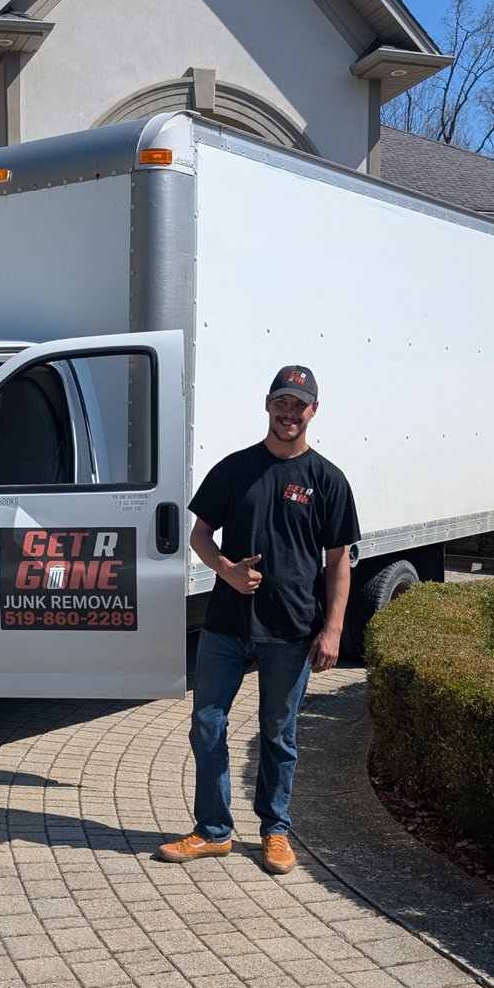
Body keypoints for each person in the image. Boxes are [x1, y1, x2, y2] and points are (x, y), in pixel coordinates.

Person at [157, 365, 360, 874]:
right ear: (268, 404)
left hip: (290, 629)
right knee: (207, 727)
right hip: (226, 626)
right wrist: (225, 570)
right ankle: (213, 831)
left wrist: (333, 629)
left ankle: (275, 831)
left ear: (313, 410)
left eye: (299, 404)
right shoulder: (235, 468)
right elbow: (199, 536)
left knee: (278, 733)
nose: (289, 413)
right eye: (282, 402)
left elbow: (338, 561)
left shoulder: (327, 480)